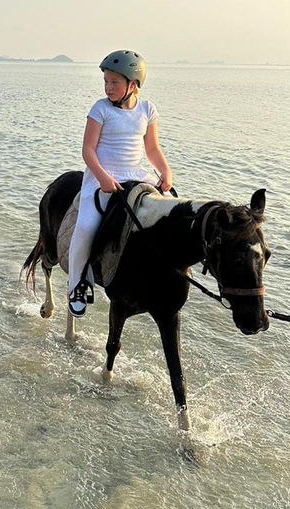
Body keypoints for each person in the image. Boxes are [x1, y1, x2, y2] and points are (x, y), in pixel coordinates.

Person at [67, 50, 173, 317]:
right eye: (106, 81)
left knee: (171, 213)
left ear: (133, 84)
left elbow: (152, 149)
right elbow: (88, 150)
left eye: (114, 82)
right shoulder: (100, 109)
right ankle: (77, 285)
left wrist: (165, 171)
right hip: (101, 175)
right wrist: (102, 177)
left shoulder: (147, 110)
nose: (108, 87)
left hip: (136, 173)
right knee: (86, 227)